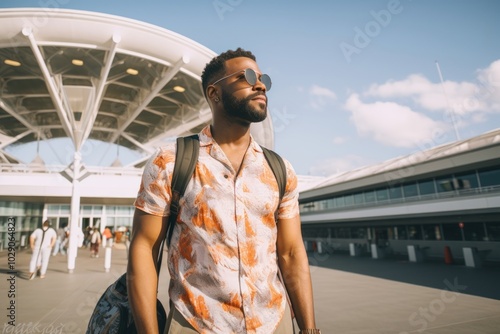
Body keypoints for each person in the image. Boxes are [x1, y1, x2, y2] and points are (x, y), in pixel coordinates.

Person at [128, 48, 319, 333]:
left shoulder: (281, 170)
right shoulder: (170, 161)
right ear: (214, 94)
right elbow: (144, 247)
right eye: (248, 76)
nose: (261, 84)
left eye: (263, 77)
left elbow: (291, 254)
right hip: (195, 324)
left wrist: (309, 329)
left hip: (271, 323)